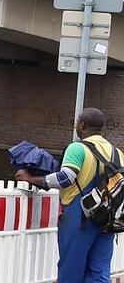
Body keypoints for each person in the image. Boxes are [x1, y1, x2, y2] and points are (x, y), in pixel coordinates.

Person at [16, 107, 123, 282]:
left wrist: (33, 178)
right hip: (108, 219)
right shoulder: (117, 153)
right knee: (99, 273)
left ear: (82, 124)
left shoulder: (77, 148)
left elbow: (66, 177)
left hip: (80, 218)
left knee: (70, 272)